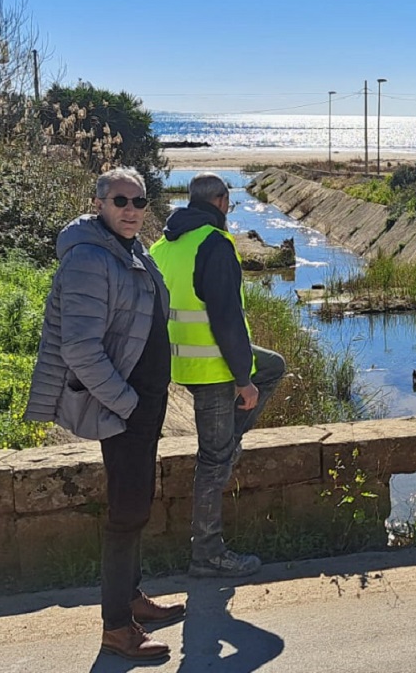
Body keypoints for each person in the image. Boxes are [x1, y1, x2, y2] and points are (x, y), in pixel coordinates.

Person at [24, 168, 184, 660]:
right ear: (99, 203)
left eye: (140, 200)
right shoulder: (89, 259)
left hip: (143, 400)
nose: (132, 209)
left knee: (138, 503)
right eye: (121, 201)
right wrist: (129, 404)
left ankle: (130, 598)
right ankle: (116, 626)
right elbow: (80, 349)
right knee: (126, 510)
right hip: (126, 405)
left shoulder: (130, 249)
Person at [150, 172, 286, 578]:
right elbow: (226, 319)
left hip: (175, 361)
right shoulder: (215, 243)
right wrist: (242, 379)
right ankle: (207, 554)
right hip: (211, 366)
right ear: (222, 201)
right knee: (213, 461)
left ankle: (231, 441)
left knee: (274, 365)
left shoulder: (163, 244)